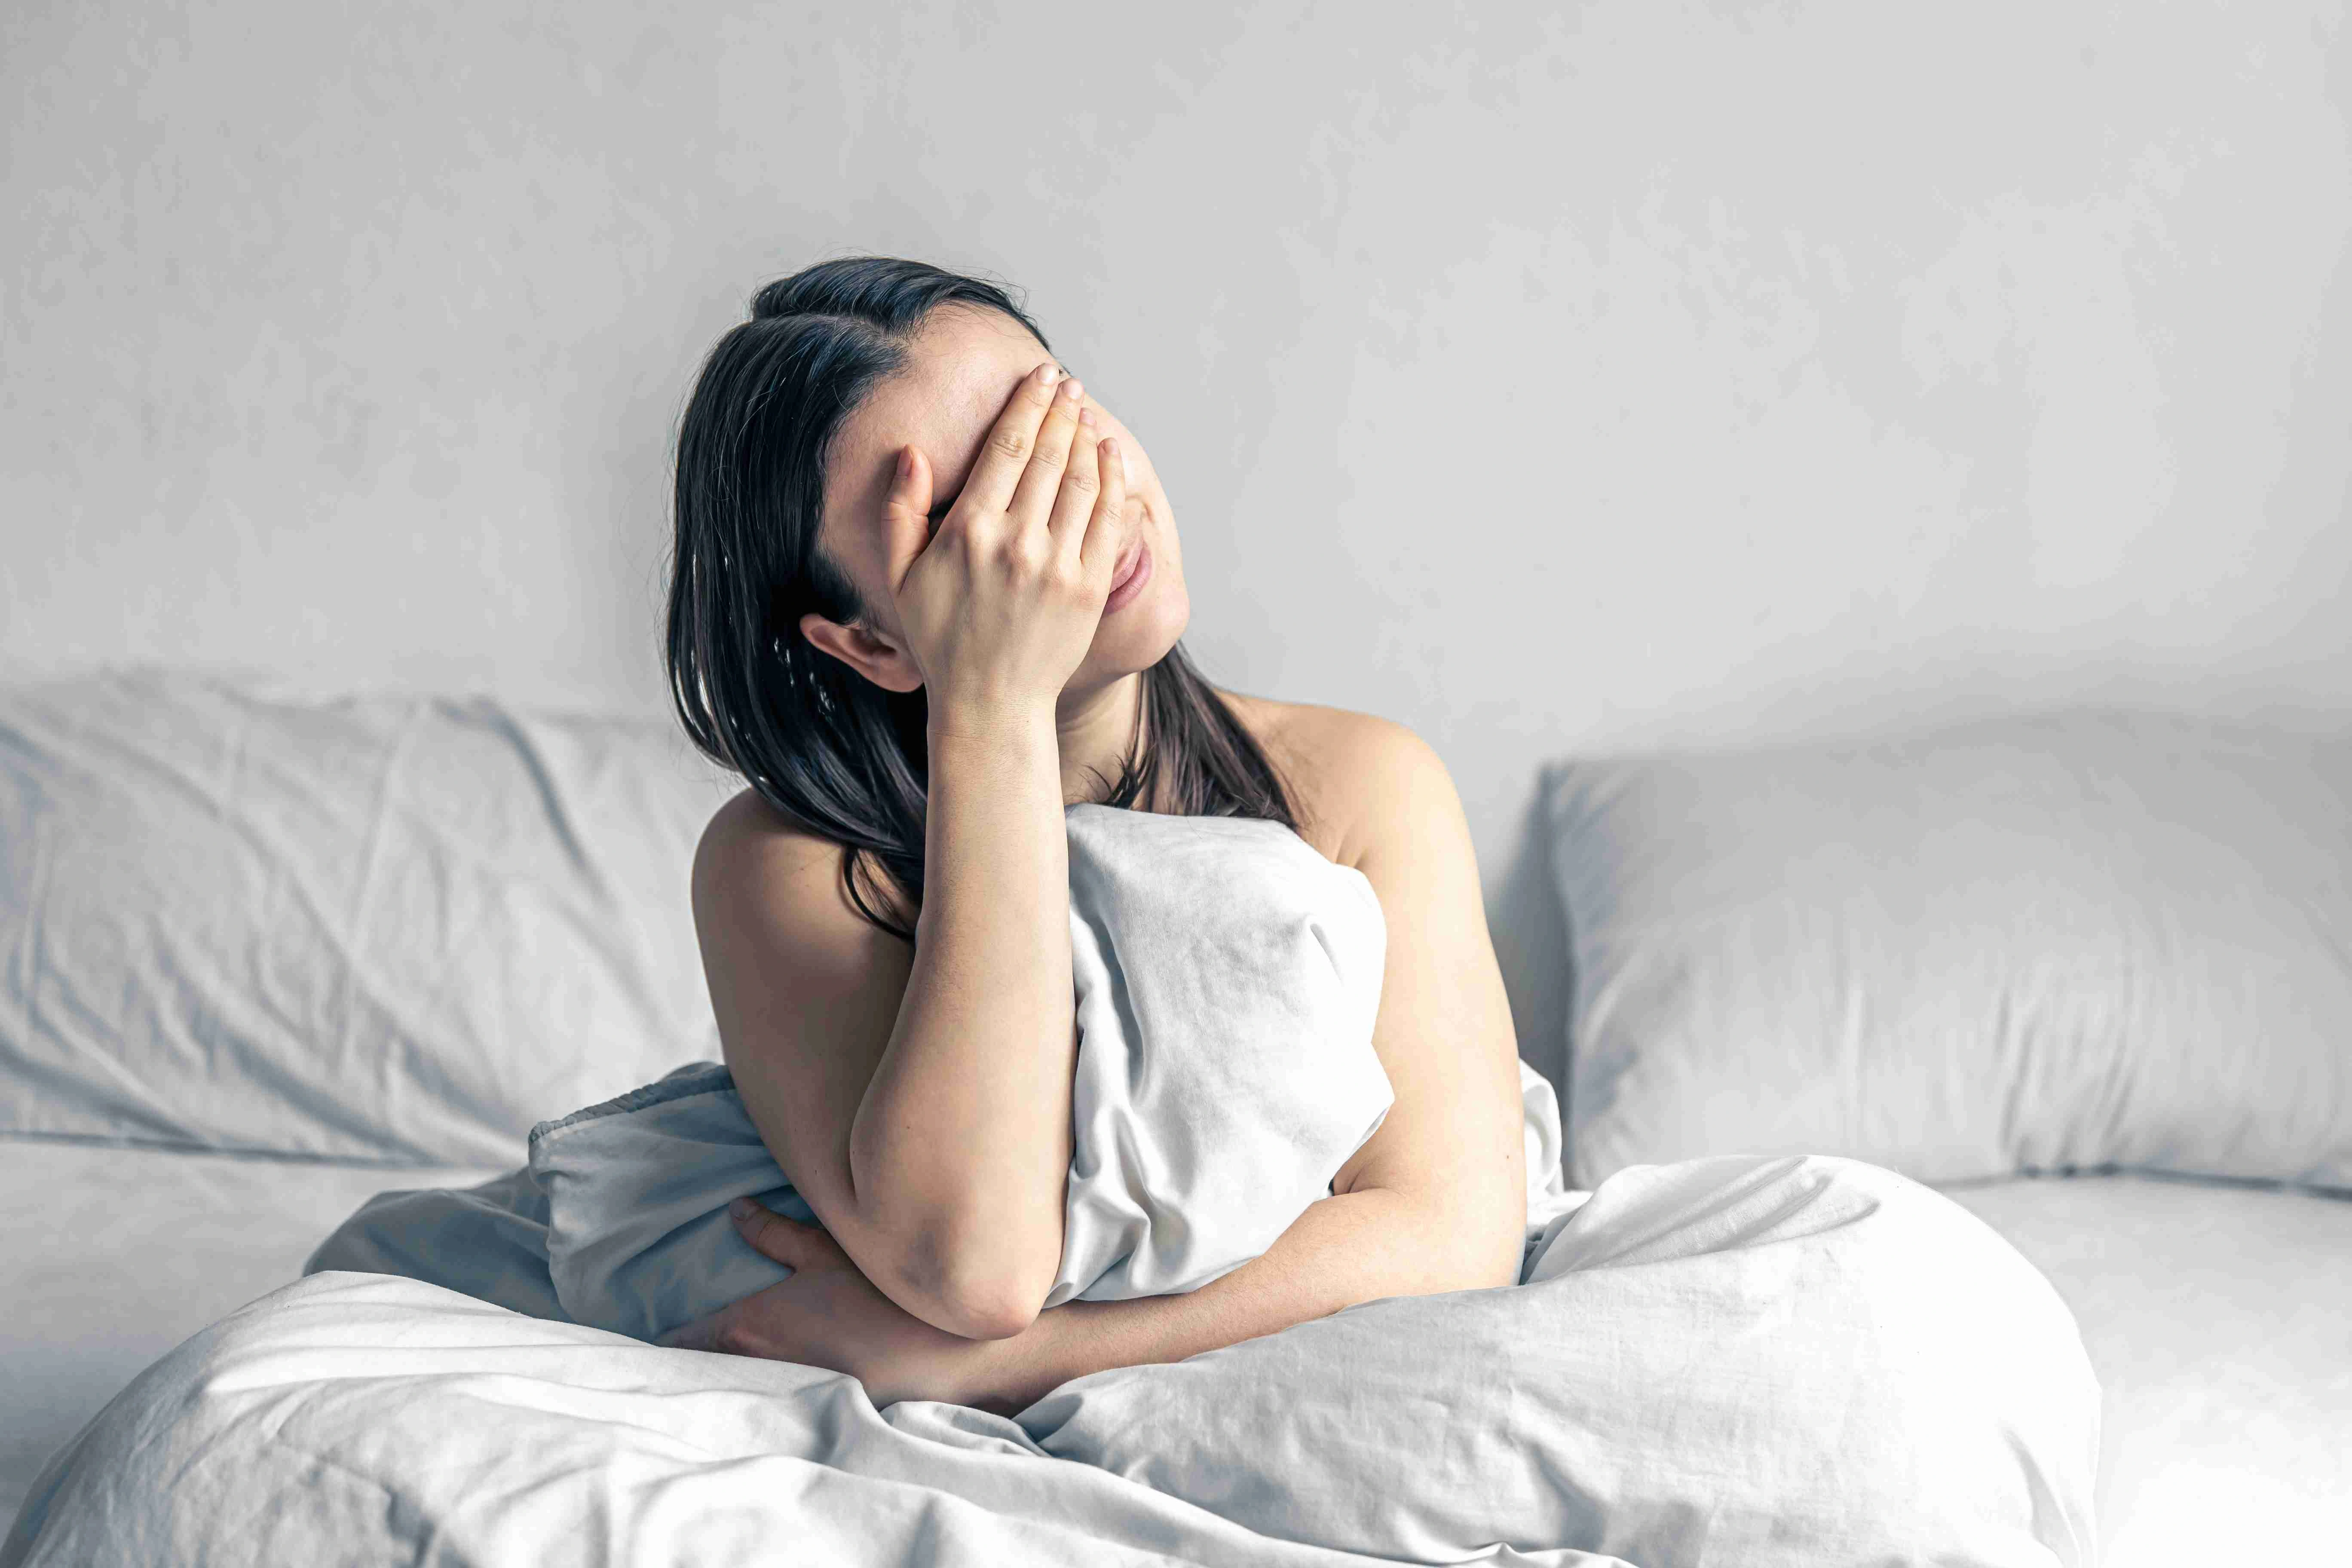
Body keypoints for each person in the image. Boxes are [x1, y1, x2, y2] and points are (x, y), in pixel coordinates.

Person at [658, 255, 1527, 1416]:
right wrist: (994, 705)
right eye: (974, 511)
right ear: (871, 645)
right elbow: (977, 1264)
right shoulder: (790, 866)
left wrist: (977, 1369)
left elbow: (1453, 1239)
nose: (1068, 512)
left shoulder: (1362, 783)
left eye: (1052, 422)